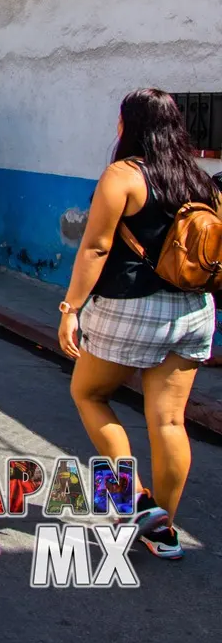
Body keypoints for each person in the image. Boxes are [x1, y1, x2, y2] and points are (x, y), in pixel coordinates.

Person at [58, 88, 219, 561]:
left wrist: (70, 309)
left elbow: (96, 247)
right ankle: (162, 529)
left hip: (130, 308)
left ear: (128, 124)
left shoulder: (124, 175)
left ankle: (134, 500)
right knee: (168, 421)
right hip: (194, 310)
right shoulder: (201, 180)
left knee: (89, 394)